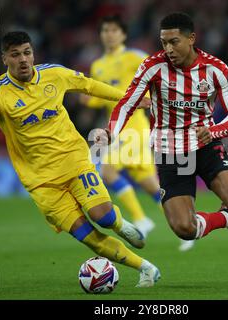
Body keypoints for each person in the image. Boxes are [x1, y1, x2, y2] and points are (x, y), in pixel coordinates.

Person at [99, 12, 228, 290]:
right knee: (185, 229)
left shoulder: (216, 69)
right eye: (163, 42)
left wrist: (213, 131)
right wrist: (112, 132)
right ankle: (226, 219)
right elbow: (127, 103)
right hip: (169, 152)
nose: (168, 49)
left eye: (174, 42)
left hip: (206, 146)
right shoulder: (152, 66)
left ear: (191, 39)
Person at [0, 31, 160, 288]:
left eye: (27, 52)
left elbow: (90, 86)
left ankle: (120, 223)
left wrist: (132, 100)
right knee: (88, 237)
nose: (23, 59)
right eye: (15, 55)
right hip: (41, 183)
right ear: (5, 59)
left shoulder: (54, 74)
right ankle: (146, 268)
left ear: (33, 53)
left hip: (74, 161)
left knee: (102, 217)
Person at [81, 15, 195, 251]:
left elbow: (159, 74)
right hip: (119, 127)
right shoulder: (97, 65)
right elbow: (102, 98)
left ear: (123, 35)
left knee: (108, 170)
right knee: (153, 187)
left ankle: (141, 220)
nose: (108, 34)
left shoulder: (134, 57)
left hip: (133, 126)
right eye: (105, 30)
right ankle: (188, 229)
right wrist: (88, 100)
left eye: (113, 30)